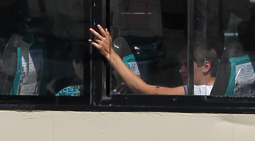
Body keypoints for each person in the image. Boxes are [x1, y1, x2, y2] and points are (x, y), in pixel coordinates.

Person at [89, 24, 217, 95]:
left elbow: (144, 90)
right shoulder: (219, 85)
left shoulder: (200, 91)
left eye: (187, 65)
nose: (181, 70)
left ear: (206, 66)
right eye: (181, 65)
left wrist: (110, 54)